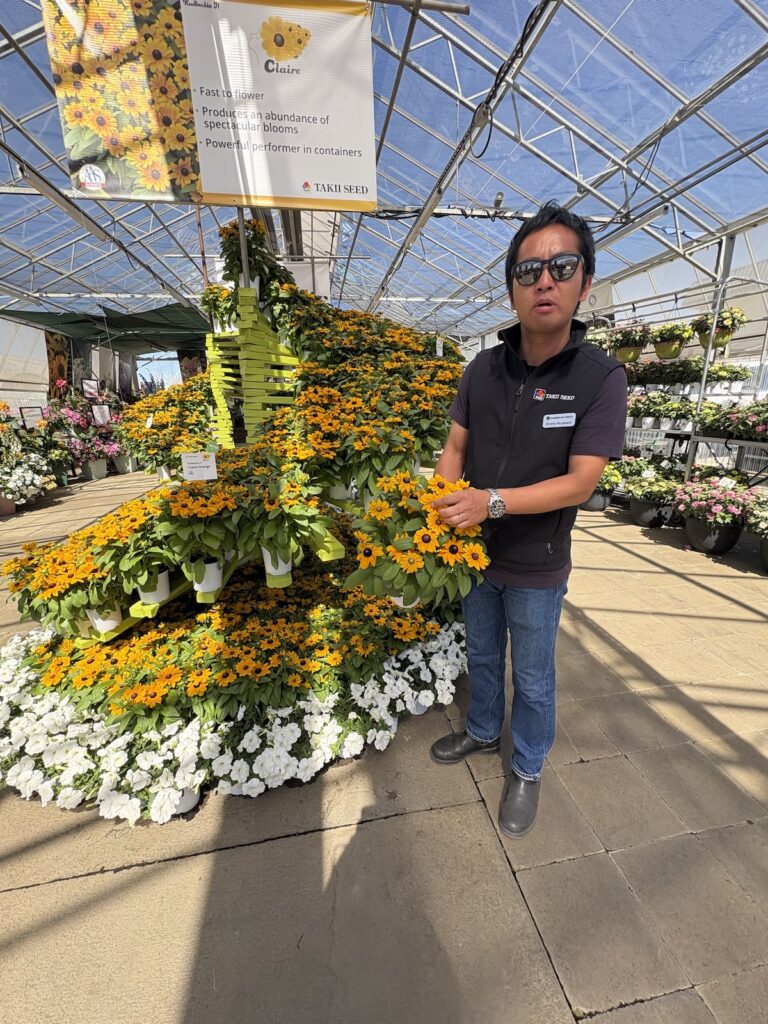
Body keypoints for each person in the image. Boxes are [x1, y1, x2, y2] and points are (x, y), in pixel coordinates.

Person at [429, 201, 627, 838]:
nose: (544, 280)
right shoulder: (482, 369)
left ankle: (528, 765)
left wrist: (490, 502)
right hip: (474, 555)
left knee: (535, 676)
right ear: (511, 285)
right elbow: (455, 449)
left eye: (561, 266)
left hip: (538, 562)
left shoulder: (599, 379)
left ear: (584, 282)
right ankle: (485, 733)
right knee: (482, 654)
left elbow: (581, 481)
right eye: (528, 269)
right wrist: (439, 506)